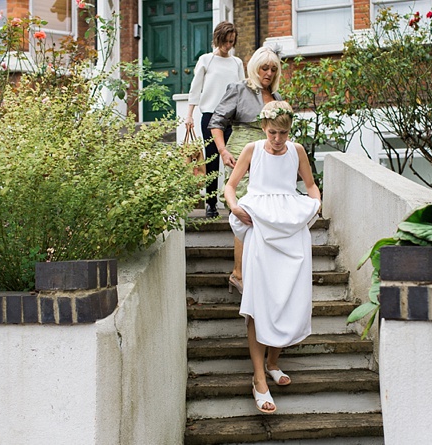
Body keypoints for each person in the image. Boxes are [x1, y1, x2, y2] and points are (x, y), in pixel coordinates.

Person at [223, 100, 321, 414]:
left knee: (287, 298)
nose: (278, 138)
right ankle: (258, 379)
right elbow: (231, 186)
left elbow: (310, 186)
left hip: (291, 231)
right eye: (273, 132)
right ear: (264, 127)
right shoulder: (252, 149)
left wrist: (314, 206)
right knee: (259, 302)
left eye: (284, 132)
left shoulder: (298, 151)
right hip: (261, 231)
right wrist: (235, 207)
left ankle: (273, 362)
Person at [208, 46, 283, 294]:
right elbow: (216, 122)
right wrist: (223, 151)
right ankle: (238, 273)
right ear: (255, 68)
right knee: (244, 212)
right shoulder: (239, 89)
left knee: (266, 212)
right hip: (242, 154)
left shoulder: (277, 97)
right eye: (265, 68)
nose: (269, 73)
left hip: (270, 156)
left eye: (273, 69)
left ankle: (260, 271)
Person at [184, 21, 245, 218]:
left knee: (235, 158)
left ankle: (232, 201)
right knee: (212, 160)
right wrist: (189, 115)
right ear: (218, 39)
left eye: (232, 42)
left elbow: (242, 90)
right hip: (210, 116)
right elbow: (196, 88)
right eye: (226, 41)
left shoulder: (236, 63)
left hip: (231, 118)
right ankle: (210, 204)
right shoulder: (206, 60)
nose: (229, 45)